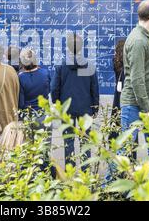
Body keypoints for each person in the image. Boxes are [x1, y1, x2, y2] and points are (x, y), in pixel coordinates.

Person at [119, 0, 149, 171]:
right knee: (125, 149)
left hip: (146, 104)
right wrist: (148, 109)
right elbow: (137, 79)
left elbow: (143, 71)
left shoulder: (144, 38)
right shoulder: (138, 41)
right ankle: (107, 188)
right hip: (136, 106)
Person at [50, 33, 99, 171]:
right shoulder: (89, 65)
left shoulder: (61, 66)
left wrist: (57, 104)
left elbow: (54, 88)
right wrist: (95, 108)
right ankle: (85, 171)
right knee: (85, 140)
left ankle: (70, 172)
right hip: (85, 108)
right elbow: (94, 88)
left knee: (69, 140)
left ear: (68, 48)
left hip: (67, 109)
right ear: (82, 47)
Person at [18, 48, 50, 126]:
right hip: (45, 116)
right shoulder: (45, 73)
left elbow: (21, 103)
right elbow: (49, 90)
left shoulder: (20, 78)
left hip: (28, 116)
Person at [111, 39, 126, 140]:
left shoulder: (115, 61)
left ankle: (114, 145)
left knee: (116, 120)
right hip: (126, 94)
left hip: (117, 94)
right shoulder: (128, 62)